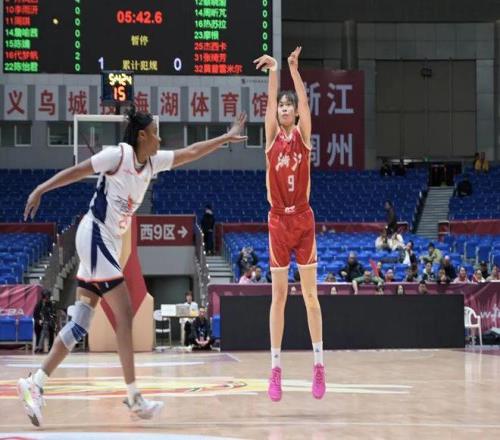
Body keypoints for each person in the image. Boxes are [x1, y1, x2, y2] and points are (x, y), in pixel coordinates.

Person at [17, 107, 247, 427]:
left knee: (81, 322)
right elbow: (78, 170)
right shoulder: (118, 155)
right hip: (95, 234)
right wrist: (40, 189)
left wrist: (225, 137)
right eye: (155, 133)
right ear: (142, 136)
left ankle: (35, 382)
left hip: (106, 242)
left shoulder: (152, 163)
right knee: (125, 314)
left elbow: (191, 152)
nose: (160, 139)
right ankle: (134, 396)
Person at [254, 46, 325, 402]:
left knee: (311, 296)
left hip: (303, 218)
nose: (283, 109)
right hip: (278, 221)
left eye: (288, 106)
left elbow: (306, 105)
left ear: (295, 112)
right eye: (281, 106)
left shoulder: (302, 135)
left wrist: (293, 69)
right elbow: (268, 106)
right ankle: (275, 369)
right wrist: (273, 72)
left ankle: (319, 365)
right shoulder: (271, 139)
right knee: (279, 296)